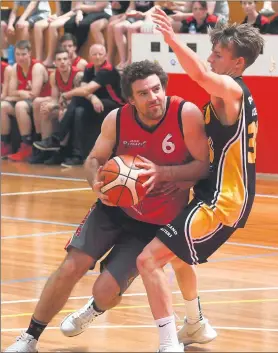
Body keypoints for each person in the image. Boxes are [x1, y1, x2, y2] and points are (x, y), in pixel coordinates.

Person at [4, 60, 212, 353]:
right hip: (114, 209)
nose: (153, 97)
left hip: (154, 224)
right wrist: (95, 184)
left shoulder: (185, 114)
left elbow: (203, 166)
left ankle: (95, 308)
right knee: (70, 267)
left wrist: (164, 174)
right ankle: (29, 338)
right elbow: (93, 159)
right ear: (130, 98)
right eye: (143, 93)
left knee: (103, 292)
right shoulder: (117, 119)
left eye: (156, 89)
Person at [133, 8, 264, 352]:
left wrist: (172, 39)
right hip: (213, 193)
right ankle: (195, 325)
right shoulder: (220, 101)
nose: (210, 58)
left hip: (223, 200)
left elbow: (201, 74)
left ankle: (169, 343)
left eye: (218, 55)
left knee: (148, 260)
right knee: (177, 256)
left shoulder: (233, 92)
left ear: (237, 64)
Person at [33, 44, 124, 166]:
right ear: (89, 56)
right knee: (78, 111)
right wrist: (93, 98)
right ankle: (76, 155)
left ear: (105, 56)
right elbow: (84, 88)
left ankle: (56, 139)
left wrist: (66, 95)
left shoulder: (107, 70)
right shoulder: (89, 68)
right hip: (97, 103)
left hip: (115, 105)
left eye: (100, 54)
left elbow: (86, 90)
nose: (97, 57)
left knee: (75, 98)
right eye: (94, 54)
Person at [30, 48, 83, 164]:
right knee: (45, 110)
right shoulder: (54, 76)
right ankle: (45, 149)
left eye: (65, 59)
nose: (62, 62)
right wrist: (51, 105)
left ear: (70, 61)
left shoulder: (78, 75)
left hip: (75, 108)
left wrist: (56, 106)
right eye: (59, 60)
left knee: (62, 113)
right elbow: (54, 98)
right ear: (55, 63)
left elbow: (77, 99)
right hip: (63, 105)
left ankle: (61, 152)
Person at [0, 40, 50, 161]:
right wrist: (22, 93)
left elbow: (34, 94)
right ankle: (5, 144)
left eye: (23, 54)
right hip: (27, 101)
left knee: (20, 106)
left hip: (42, 101)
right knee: (3, 106)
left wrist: (17, 94)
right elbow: (11, 92)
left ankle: (26, 146)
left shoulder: (36, 67)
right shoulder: (15, 67)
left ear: (29, 54)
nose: (20, 57)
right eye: (18, 54)